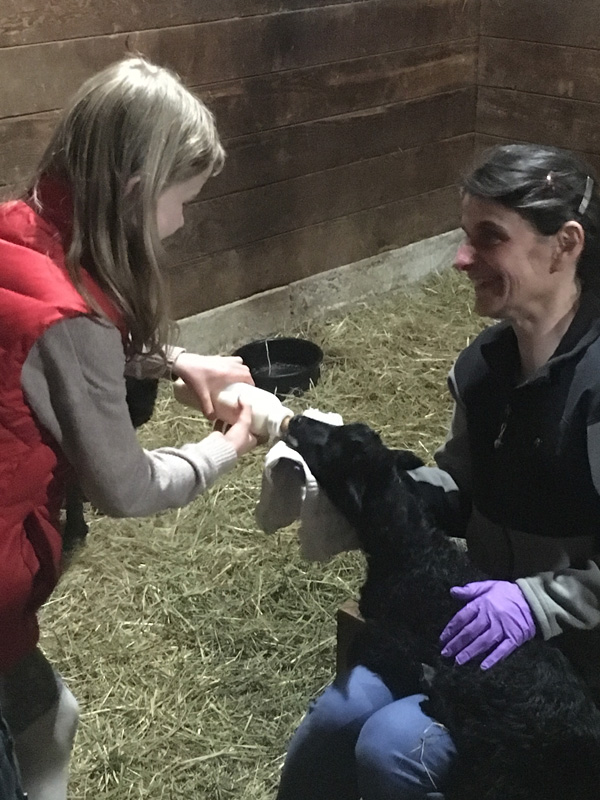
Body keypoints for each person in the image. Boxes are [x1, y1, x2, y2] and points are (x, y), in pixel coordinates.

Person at [276, 142, 600, 800]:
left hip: (574, 658)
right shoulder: (483, 367)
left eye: (489, 238)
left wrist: (537, 603)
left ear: (563, 245)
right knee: (336, 719)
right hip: (467, 625)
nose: (460, 259)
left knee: (395, 749)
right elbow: (459, 487)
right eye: (464, 236)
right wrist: (378, 494)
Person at [0, 56, 259, 799]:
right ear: (138, 192)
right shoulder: (67, 320)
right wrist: (227, 445)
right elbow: (127, 486)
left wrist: (174, 361)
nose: (181, 222)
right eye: (183, 200)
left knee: (49, 717)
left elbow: (57, 345)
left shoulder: (21, 228)